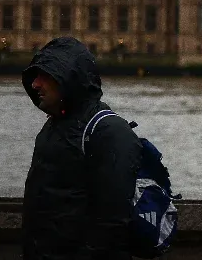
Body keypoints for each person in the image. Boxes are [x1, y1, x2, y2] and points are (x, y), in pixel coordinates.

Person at [21, 37, 141, 260]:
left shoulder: (108, 131)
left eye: (44, 76)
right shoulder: (54, 126)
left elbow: (113, 223)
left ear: (68, 78)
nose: (35, 84)